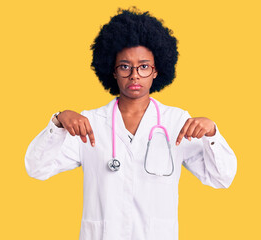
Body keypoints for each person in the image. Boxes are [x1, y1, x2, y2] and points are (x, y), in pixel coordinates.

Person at [25, 7, 237, 240]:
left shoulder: (177, 122)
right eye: (125, 66)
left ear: (157, 71)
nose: (135, 75)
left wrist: (212, 134)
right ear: (112, 71)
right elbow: (37, 168)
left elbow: (221, 178)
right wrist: (58, 122)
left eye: (144, 66)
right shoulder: (89, 124)